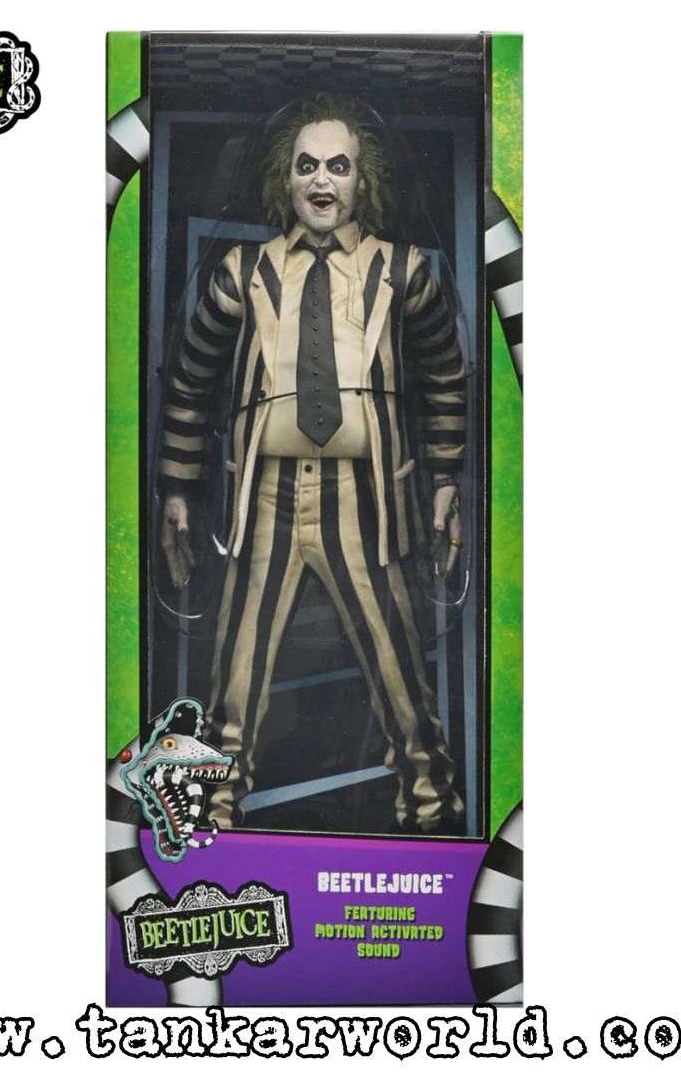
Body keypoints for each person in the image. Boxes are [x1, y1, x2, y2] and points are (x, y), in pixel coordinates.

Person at [157, 93, 466, 834]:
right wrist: (176, 487)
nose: (322, 181)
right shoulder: (243, 272)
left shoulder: (404, 272)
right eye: (306, 166)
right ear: (285, 178)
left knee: (399, 672)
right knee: (235, 678)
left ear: (364, 178)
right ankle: (212, 820)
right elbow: (190, 380)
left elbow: (445, 377)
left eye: (338, 166)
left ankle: (433, 816)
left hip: (366, 499)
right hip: (265, 497)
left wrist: (446, 479)